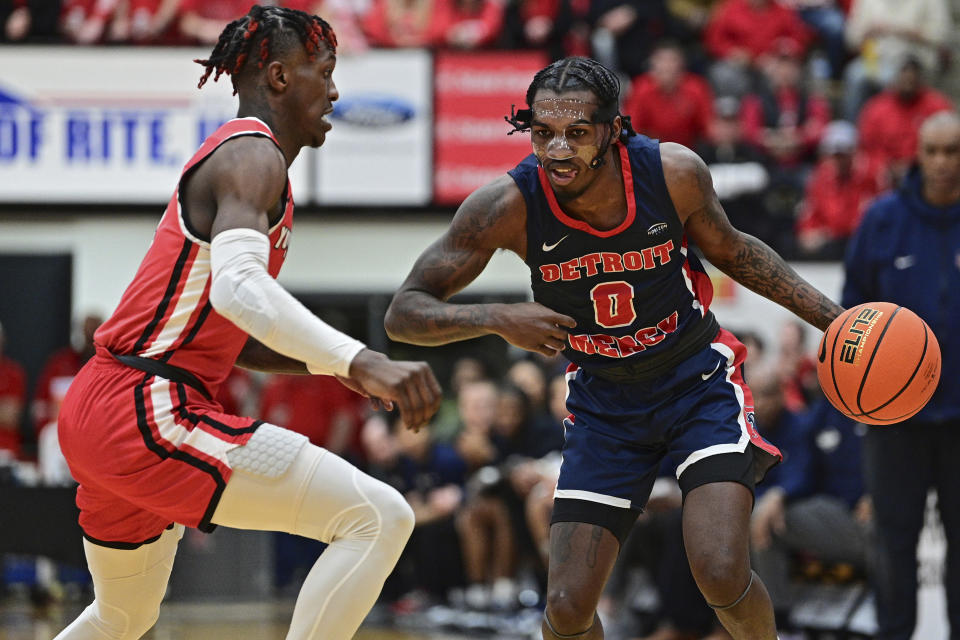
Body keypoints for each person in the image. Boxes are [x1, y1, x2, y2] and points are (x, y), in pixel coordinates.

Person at [384, 56, 845, 639]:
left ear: (612, 129)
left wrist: (837, 320)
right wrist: (499, 317)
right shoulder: (507, 206)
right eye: (543, 133)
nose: (556, 150)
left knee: (722, 571)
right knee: (568, 608)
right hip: (605, 405)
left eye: (575, 134)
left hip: (695, 384)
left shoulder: (671, 173)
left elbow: (737, 254)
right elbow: (404, 312)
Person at [52, 6, 442, 640]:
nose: (337, 90)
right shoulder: (252, 155)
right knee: (378, 517)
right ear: (281, 77)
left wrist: (334, 367)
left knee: (124, 615)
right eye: (326, 71)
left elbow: (227, 328)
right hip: (144, 408)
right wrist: (360, 360)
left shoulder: (253, 165)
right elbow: (240, 293)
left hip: (106, 403)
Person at [842, 110, 960, 640]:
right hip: (895, 419)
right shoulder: (882, 219)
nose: (941, 163)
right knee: (893, 541)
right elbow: (848, 317)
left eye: (952, 151)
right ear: (917, 153)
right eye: (932, 151)